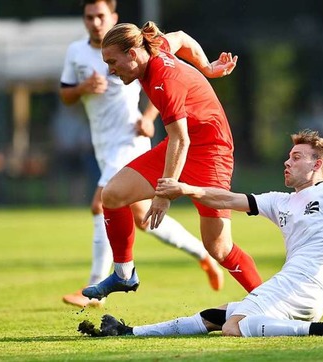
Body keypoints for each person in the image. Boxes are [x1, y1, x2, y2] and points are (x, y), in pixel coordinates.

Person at [80, 129, 323, 338]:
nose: (287, 162)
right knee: (216, 315)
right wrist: (188, 190)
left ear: (318, 164)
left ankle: (319, 331)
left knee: (235, 328)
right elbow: (227, 197)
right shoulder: (279, 201)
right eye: (288, 156)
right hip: (291, 283)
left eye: (296, 157)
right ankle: (129, 333)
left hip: (304, 286)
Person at [59, 0, 228, 307]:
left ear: (114, 18)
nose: (95, 23)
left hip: (130, 140)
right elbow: (65, 94)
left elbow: (164, 86)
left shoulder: (127, 50)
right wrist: (84, 87)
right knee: (139, 218)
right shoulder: (76, 53)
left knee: (102, 202)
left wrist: (150, 117)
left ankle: (94, 290)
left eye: (101, 17)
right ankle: (202, 254)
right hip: (103, 144)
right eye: (89, 17)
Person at [81, 20, 262, 302]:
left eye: (113, 61)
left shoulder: (166, 80)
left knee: (219, 248)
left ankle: (268, 300)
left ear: (132, 54)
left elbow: (182, 139)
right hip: (181, 144)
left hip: (211, 151)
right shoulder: (154, 46)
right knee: (113, 195)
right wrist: (206, 67)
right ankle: (124, 274)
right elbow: (181, 37)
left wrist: (164, 195)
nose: (110, 69)